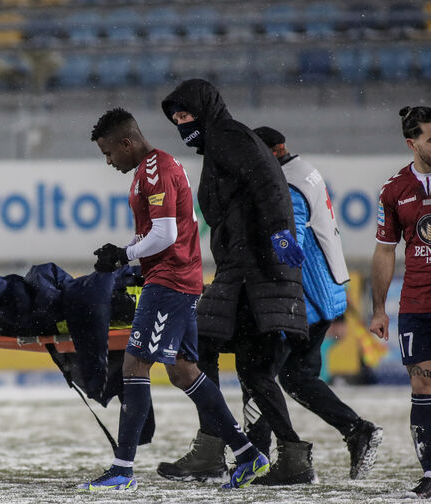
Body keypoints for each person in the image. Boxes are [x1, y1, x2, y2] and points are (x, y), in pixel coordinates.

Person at [76, 108, 268, 491]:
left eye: (108, 152)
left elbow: (165, 236)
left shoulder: (155, 171)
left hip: (170, 281)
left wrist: (125, 254)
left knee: (135, 363)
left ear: (126, 143)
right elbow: (158, 233)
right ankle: (248, 455)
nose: (108, 160)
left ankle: (122, 470)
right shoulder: (151, 170)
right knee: (183, 370)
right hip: (176, 278)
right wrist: (124, 251)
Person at [157, 79, 315, 485]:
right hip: (250, 270)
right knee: (253, 370)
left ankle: (212, 448)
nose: (181, 123)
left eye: (186, 114)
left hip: (251, 271)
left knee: (197, 346)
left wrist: (281, 234)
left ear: (206, 109)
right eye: (176, 118)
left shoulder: (225, 135)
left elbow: (267, 180)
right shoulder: (221, 140)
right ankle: (292, 458)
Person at [249, 126, 382, 481]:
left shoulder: (287, 186)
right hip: (325, 289)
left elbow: (288, 245)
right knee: (296, 377)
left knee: (259, 374)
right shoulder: (304, 169)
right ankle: (356, 430)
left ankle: (258, 457)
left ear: (275, 151)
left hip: (301, 297)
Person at [369, 106, 431, 499]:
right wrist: (378, 309)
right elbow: (384, 251)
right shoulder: (394, 190)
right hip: (417, 302)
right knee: (423, 382)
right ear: (412, 143)